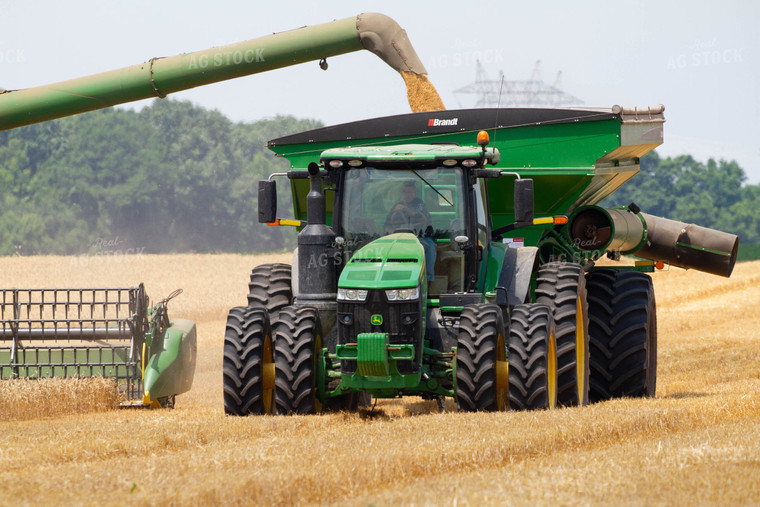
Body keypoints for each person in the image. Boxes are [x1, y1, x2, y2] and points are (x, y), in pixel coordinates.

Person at [384, 180, 436, 282]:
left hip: (419, 237)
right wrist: (391, 231)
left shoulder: (420, 204)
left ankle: (428, 279)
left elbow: (421, 217)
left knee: (430, 247)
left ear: (414, 193)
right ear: (401, 194)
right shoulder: (396, 206)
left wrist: (406, 210)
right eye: (404, 192)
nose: (407, 194)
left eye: (410, 192)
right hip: (398, 239)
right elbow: (386, 225)